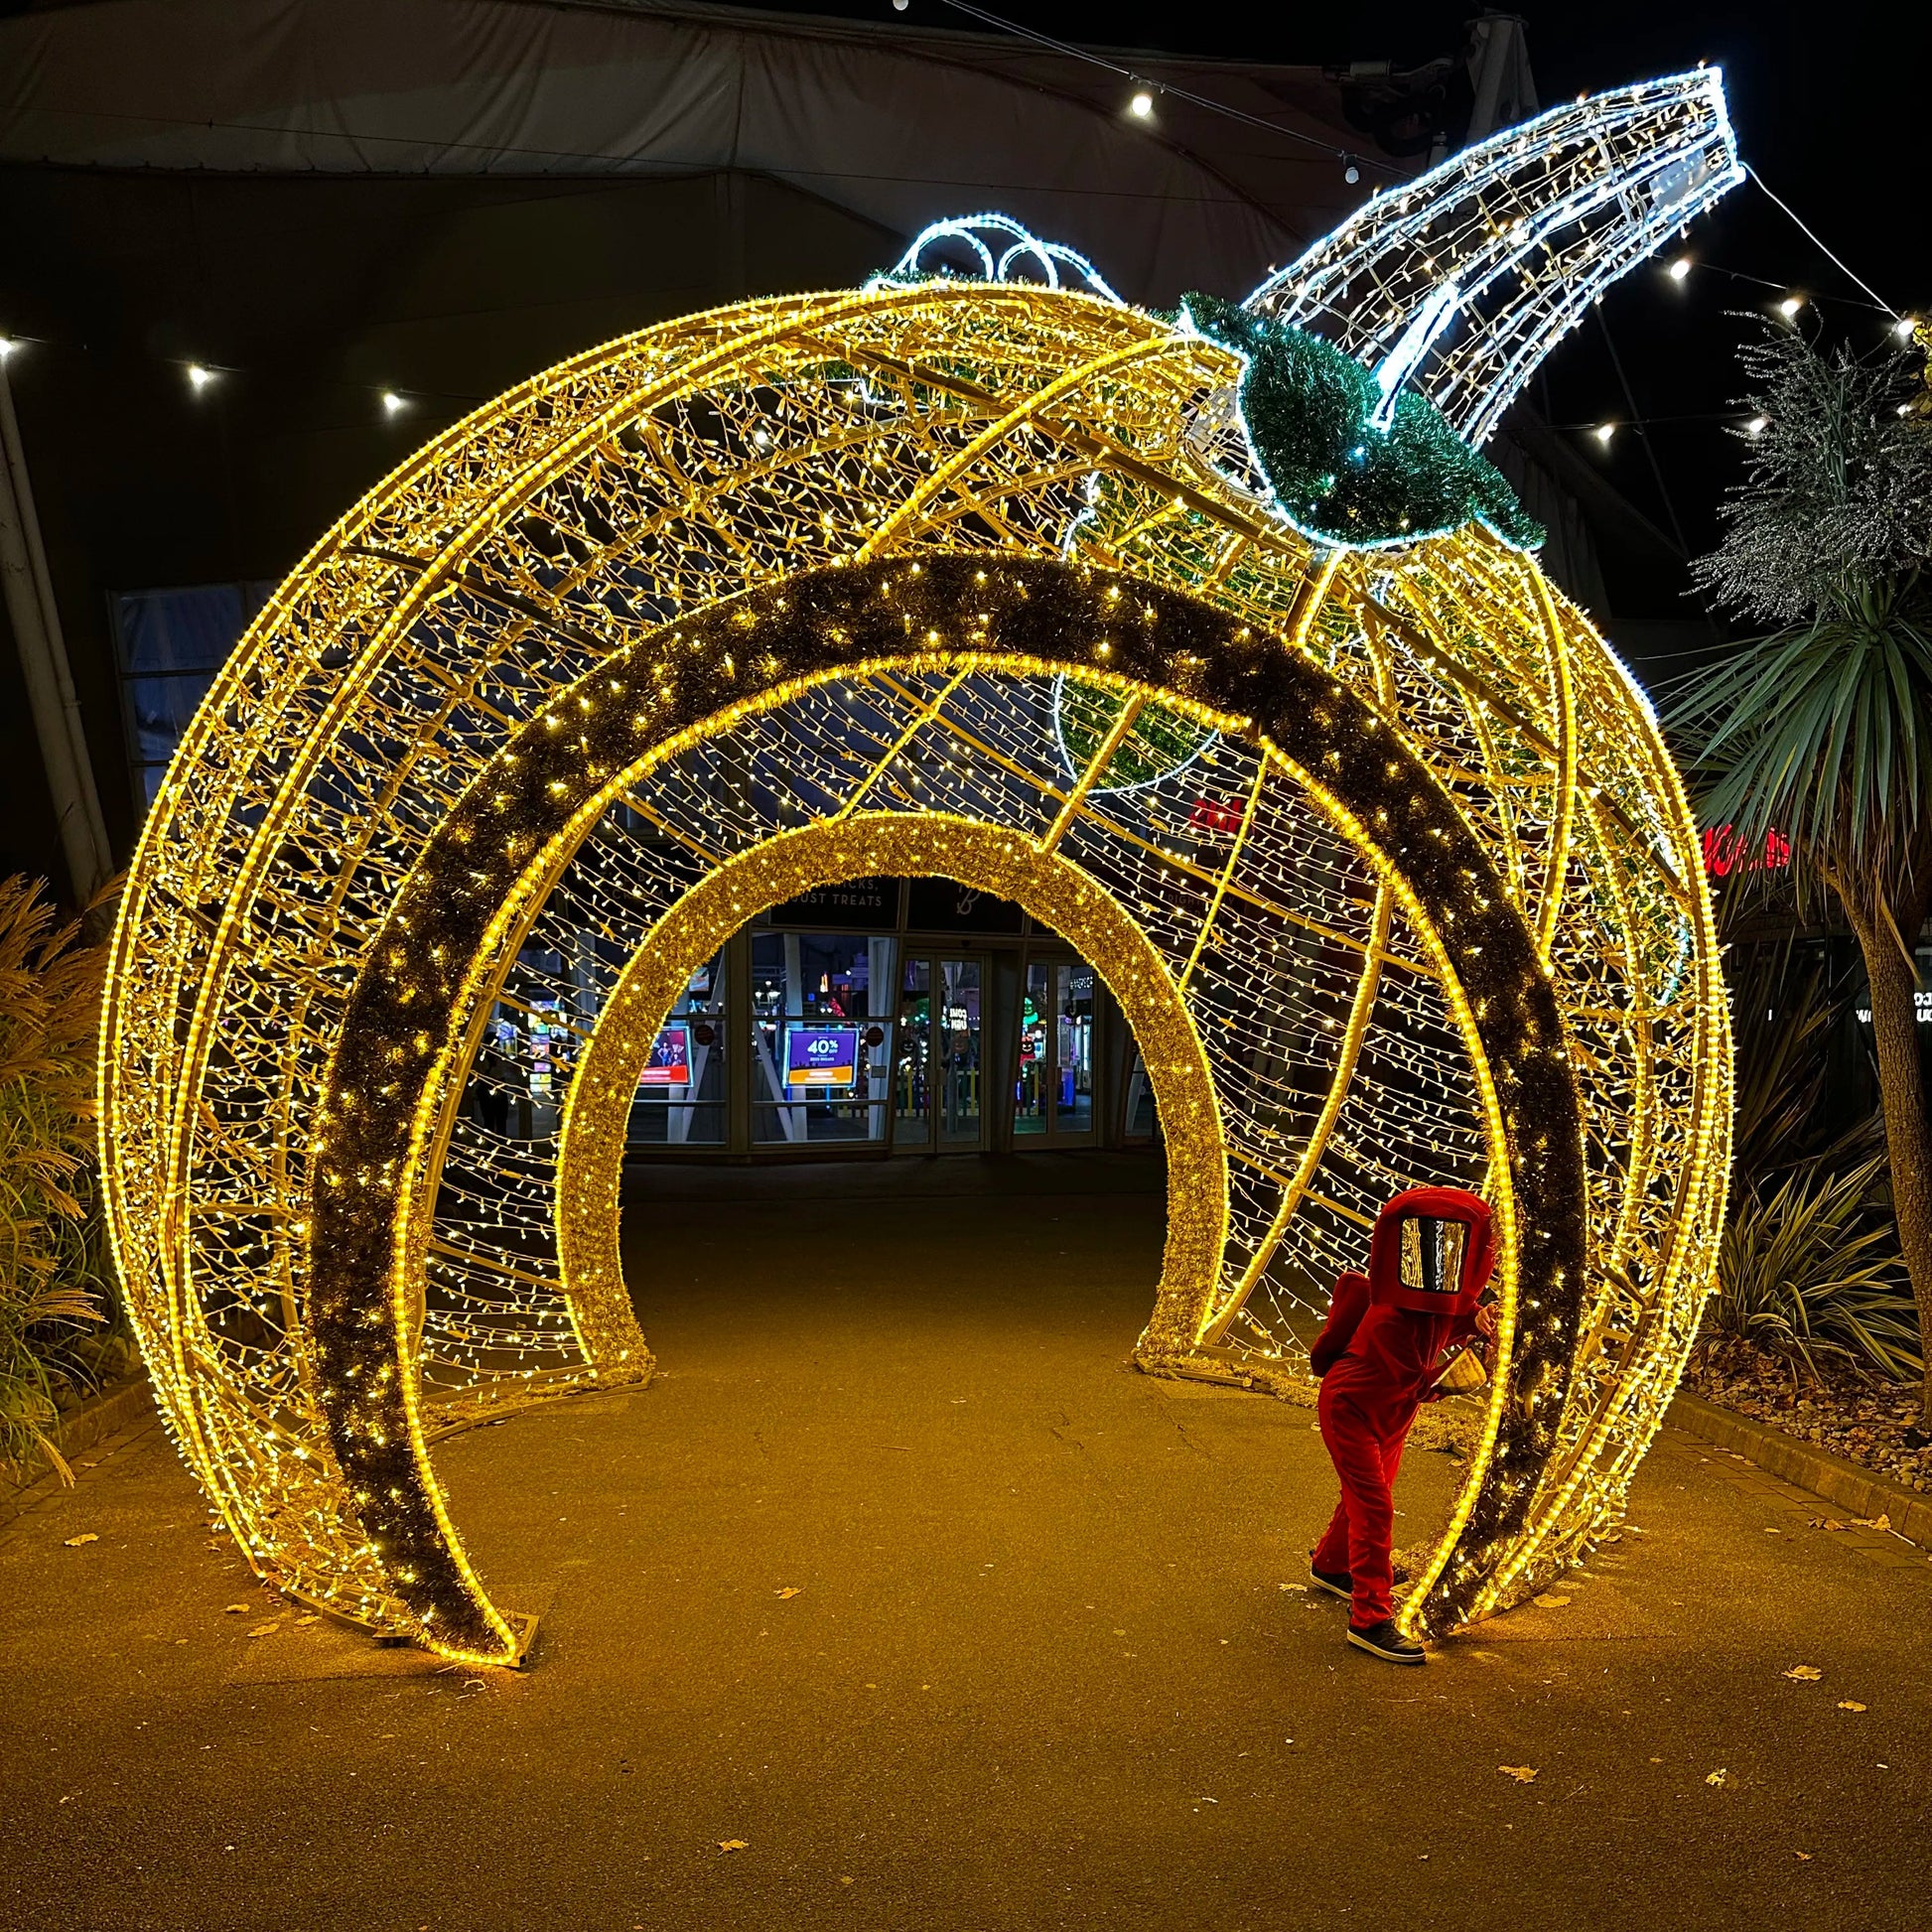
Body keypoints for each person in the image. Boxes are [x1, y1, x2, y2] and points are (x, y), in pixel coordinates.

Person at [1308, 1186, 1498, 1665]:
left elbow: (1448, 1316)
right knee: (1374, 1505)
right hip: (1353, 1405)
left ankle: (1332, 1567)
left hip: (1387, 1409)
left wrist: (1478, 1320)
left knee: (1369, 1495)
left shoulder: (1429, 1295)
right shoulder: (1399, 1307)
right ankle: (1369, 1618)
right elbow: (1417, 1376)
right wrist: (1458, 1374)